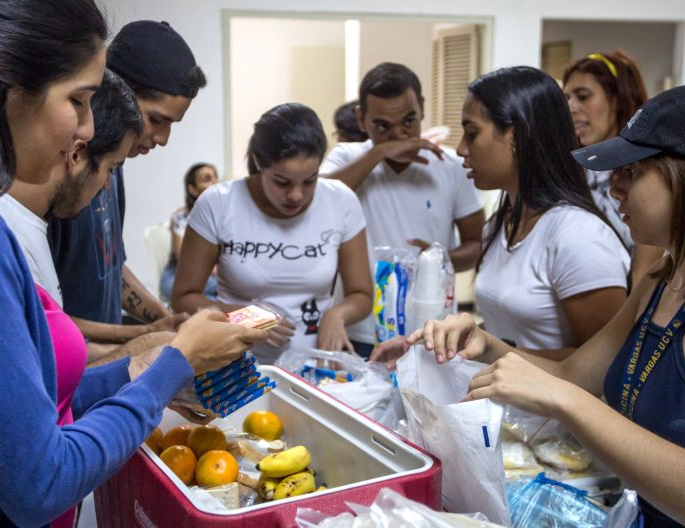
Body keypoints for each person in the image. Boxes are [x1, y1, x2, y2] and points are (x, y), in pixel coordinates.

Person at [0, 2, 266, 526]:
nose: (88, 128)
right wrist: (174, 364)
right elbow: (41, 482)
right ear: (9, 91)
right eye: (78, 101)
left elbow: (33, 403)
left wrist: (143, 369)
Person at [398, 82, 685, 528]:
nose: (614, 187)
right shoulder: (662, 278)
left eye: (634, 172)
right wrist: (485, 345)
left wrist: (567, 402)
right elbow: (573, 375)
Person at [172, 103, 372, 364]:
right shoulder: (218, 203)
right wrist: (247, 317)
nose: (296, 195)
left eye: (310, 180)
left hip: (312, 367)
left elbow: (361, 295)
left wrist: (337, 314)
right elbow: (183, 299)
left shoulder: (340, 201)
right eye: (282, 182)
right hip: (233, 364)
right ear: (258, 162)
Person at [48, 20, 205, 343]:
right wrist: (138, 335)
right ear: (116, 93)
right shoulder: (61, 181)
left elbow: (111, 267)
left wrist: (167, 322)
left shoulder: (112, 167)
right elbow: (41, 316)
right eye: (156, 119)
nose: (162, 139)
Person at [456, 66, 629, 353]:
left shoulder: (578, 236)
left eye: (472, 133)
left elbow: (605, 363)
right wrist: (454, 339)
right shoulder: (499, 224)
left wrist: (489, 350)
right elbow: (510, 330)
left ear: (516, 136)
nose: (461, 148)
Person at [321, 62, 485, 353]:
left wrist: (437, 258)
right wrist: (380, 152)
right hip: (360, 330)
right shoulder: (348, 156)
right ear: (361, 119)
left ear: (422, 107)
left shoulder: (453, 166)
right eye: (382, 126)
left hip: (432, 331)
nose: (399, 134)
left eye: (408, 121)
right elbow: (318, 201)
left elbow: (477, 245)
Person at [563, 50, 664, 286]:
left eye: (583, 96)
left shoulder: (646, 172)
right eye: (566, 98)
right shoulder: (575, 168)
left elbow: (643, 274)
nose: (571, 107)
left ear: (618, 99)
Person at [160, 162, 219, 303]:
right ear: (192, 190)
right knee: (230, 289)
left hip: (214, 277)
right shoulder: (181, 218)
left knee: (219, 295)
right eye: (207, 179)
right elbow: (183, 258)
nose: (216, 183)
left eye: (216, 177)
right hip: (180, 275)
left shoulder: (224, 216)